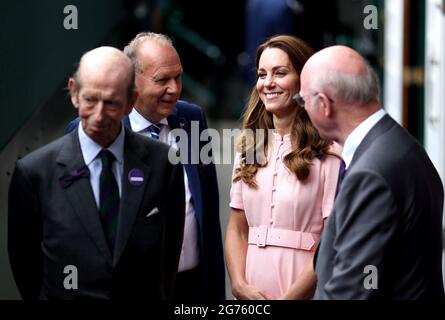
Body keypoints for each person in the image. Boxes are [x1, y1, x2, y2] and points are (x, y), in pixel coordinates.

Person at [8, 47, 185, 300]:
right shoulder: (35, 173)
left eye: (111, 102)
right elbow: (27, 269)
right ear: (74, 93)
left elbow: (167, 260)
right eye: (90, 100)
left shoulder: (163, 165)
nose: (99, 115)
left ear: (130, 101)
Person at [66, 32, 225, 301]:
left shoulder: (191, 118)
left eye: (178, 77)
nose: (174, 88)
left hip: (191, 285)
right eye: (162, 80)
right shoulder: (90, 131)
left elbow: (208, 211)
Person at [299, 45, 445, 299]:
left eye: (302, 100)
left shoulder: (371, 173)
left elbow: (349, 292)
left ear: (323, 104)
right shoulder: (401, 145)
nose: (302, 108)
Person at [225, 35, 341, 300]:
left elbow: (331, 239)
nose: (268, 83)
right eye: (262, 74)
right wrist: (239, 284)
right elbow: (236, 228)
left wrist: (292, 298)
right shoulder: (250, 147)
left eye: (280, 73)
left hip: (304, 289)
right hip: (251, 293)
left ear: (304, 80)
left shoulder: (328, 152)